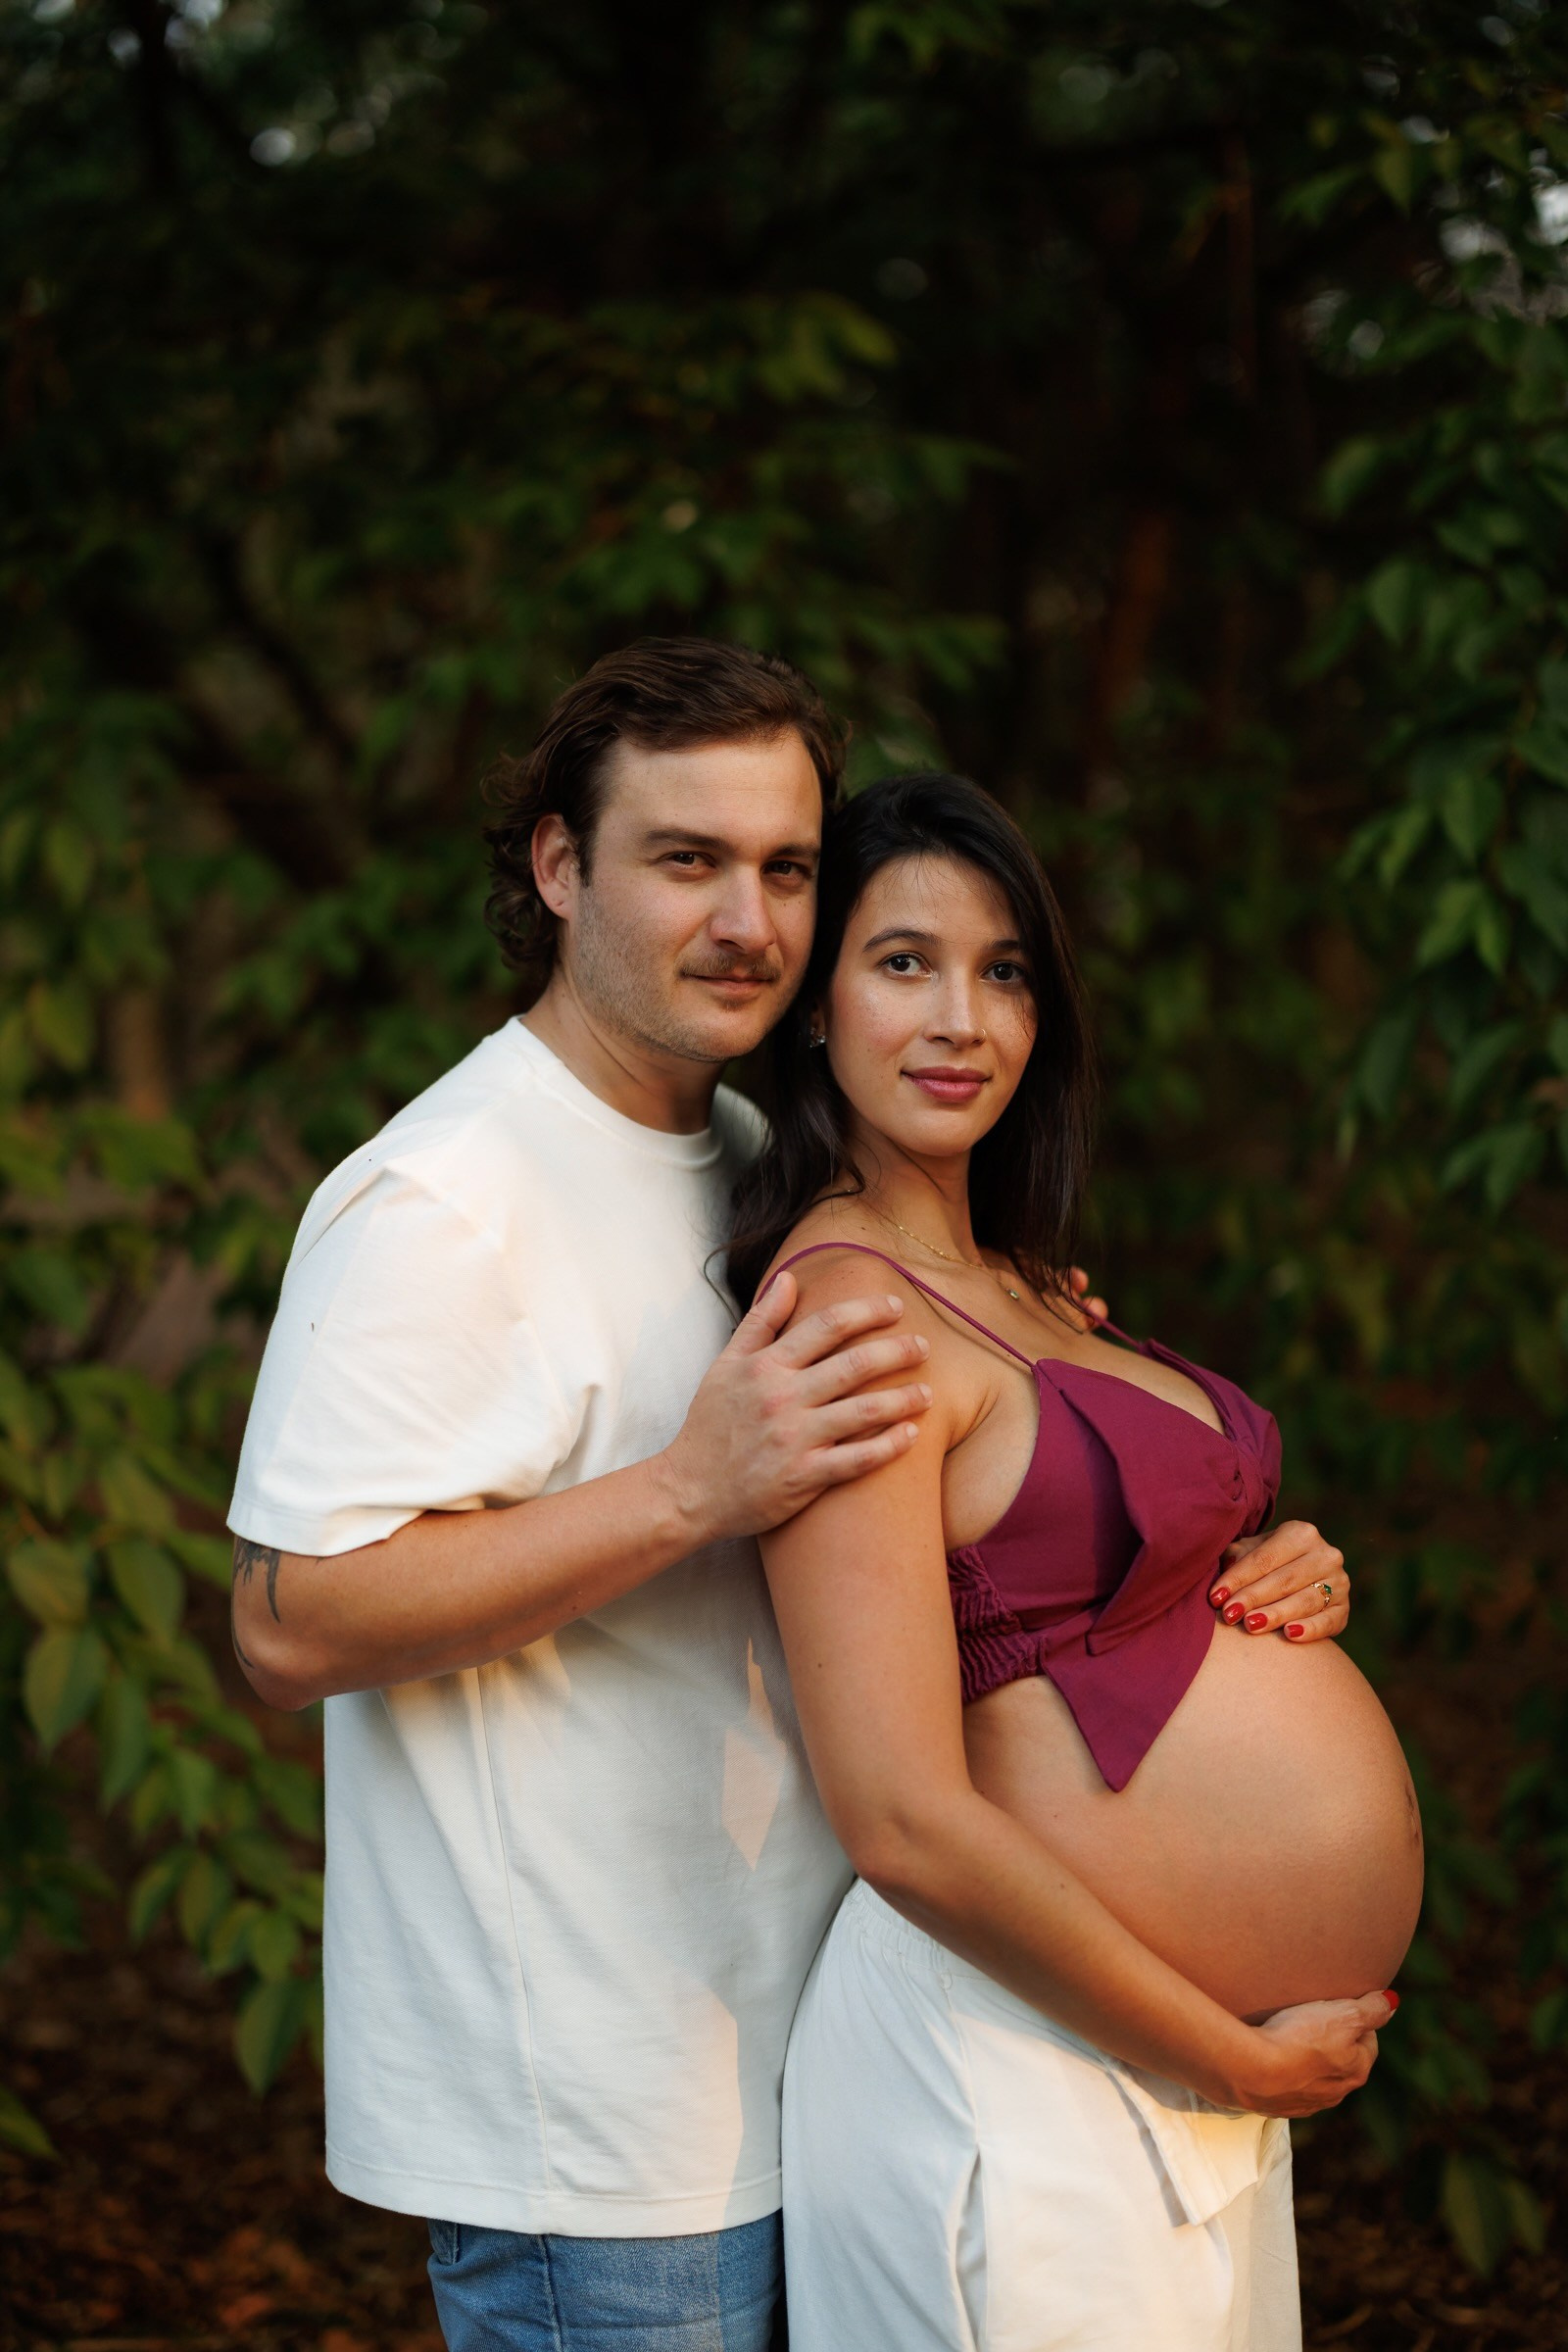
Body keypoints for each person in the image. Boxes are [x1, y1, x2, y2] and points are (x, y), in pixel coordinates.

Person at [227, 641, 1361, 2352]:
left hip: (816, 2039)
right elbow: (286, 1627)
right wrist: (687, 1490)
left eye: (785, 868)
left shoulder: (758, 1164)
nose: (747, 919)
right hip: (601, 2124)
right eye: (687, 859)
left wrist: (1184, 1537)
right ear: (559, 867)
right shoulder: (442, 1199)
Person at [729, 772, 1422, 2352]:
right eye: (903, 963)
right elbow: (901, 1818)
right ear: (815, 1005)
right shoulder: (847, 1314)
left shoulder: (1025, 1279)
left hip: (1167, 2075)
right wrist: (1227, 2057)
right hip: (1015, 2066)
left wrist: (1276, 1568)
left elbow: (1095, 1578)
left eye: (1005, 971)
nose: (960, 1018)